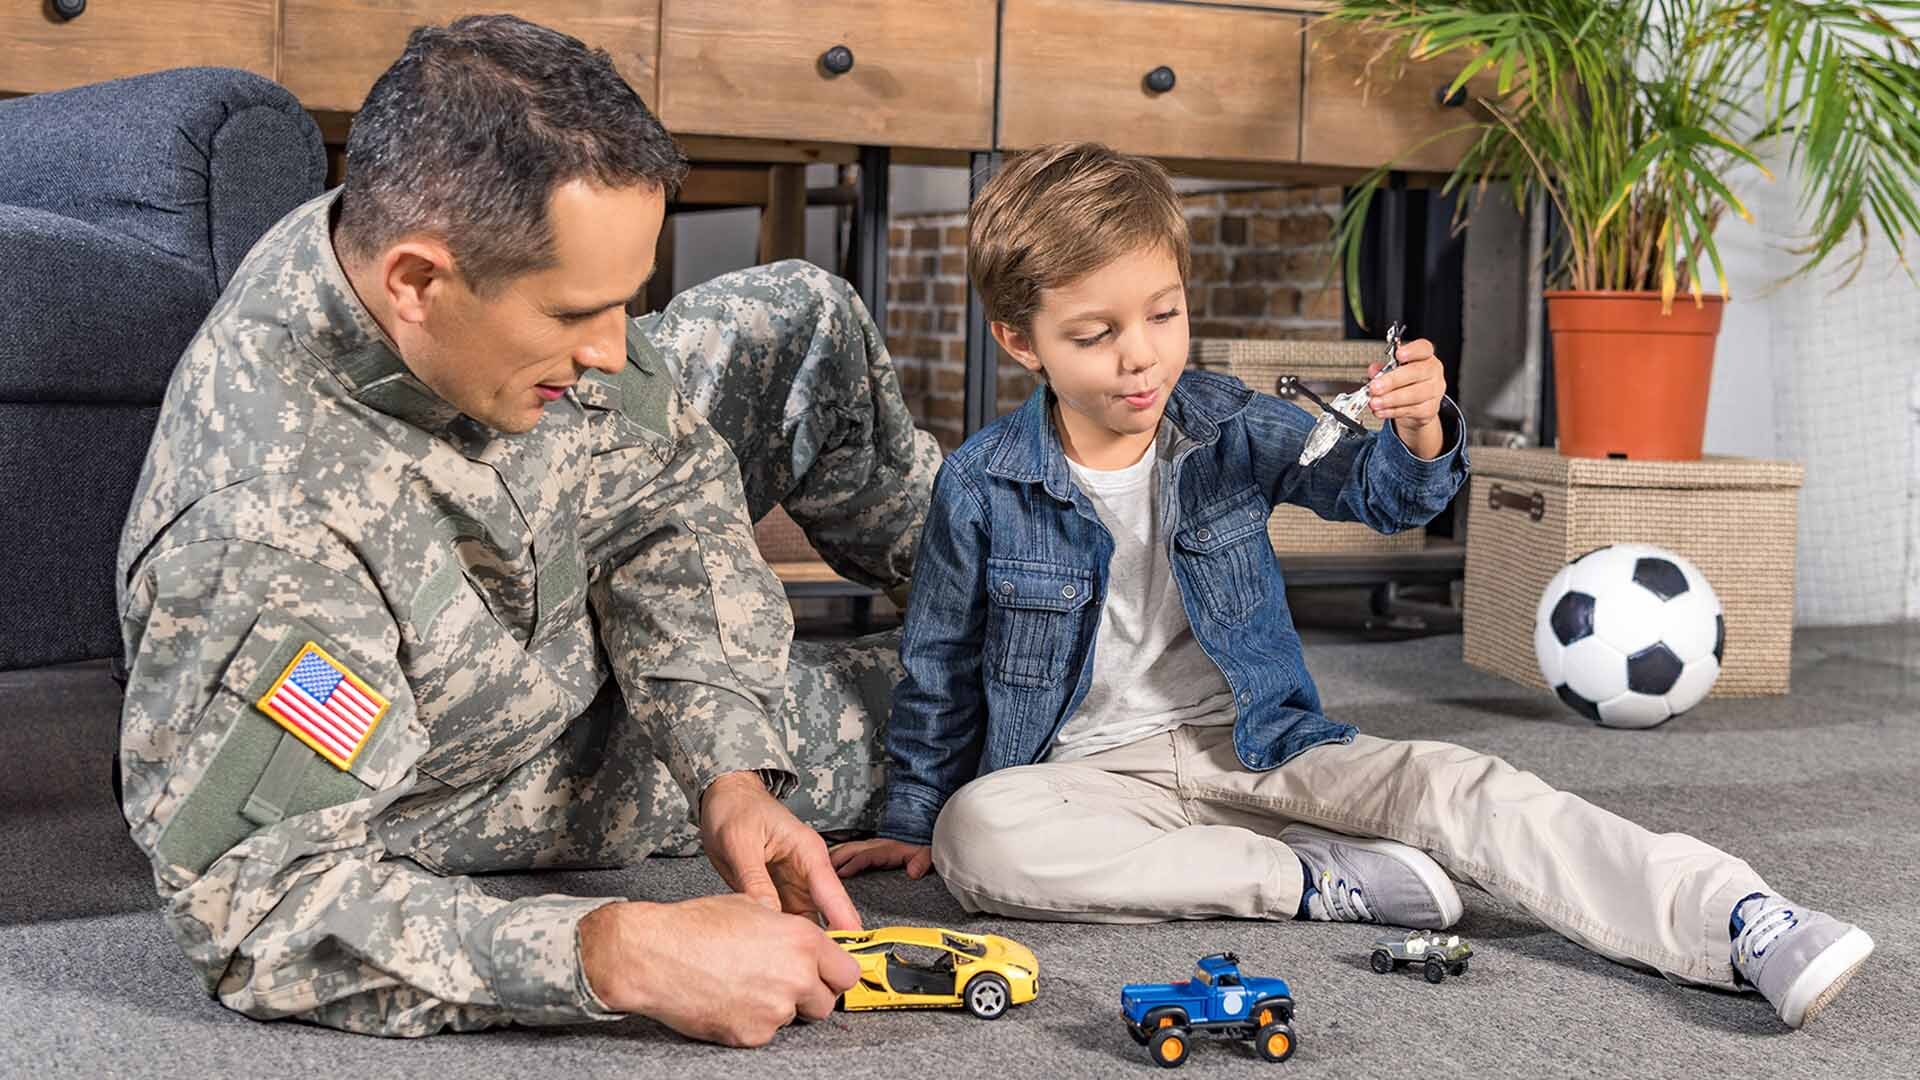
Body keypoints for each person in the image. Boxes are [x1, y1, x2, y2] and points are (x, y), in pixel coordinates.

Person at [828, 142, 1873, 1029]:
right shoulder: (981, 481)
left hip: (1256, 739)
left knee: (1459, 787)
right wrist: (917, 814)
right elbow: (940, 663)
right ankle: (1314, 879)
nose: (1140, 360)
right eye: (1095, 336)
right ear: (1022, 340)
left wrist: (1419, 430)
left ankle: (1732, 918)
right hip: (1085, 778)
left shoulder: (1228, 420)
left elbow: (1378, 494)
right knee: (980, 835)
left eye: (1164, 315)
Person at [115, 14, 938, 1044]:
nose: (611, 350)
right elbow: (256, 908)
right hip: (476, 753)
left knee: (800, 318)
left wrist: (729, 766)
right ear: (417, 282)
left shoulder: (461, 270)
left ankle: (1033, 577)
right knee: (934, 725)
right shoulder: (263, 527)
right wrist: (617, 950)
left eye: (622, 305)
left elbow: (664, 485)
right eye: (570, 315)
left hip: (557, 595)